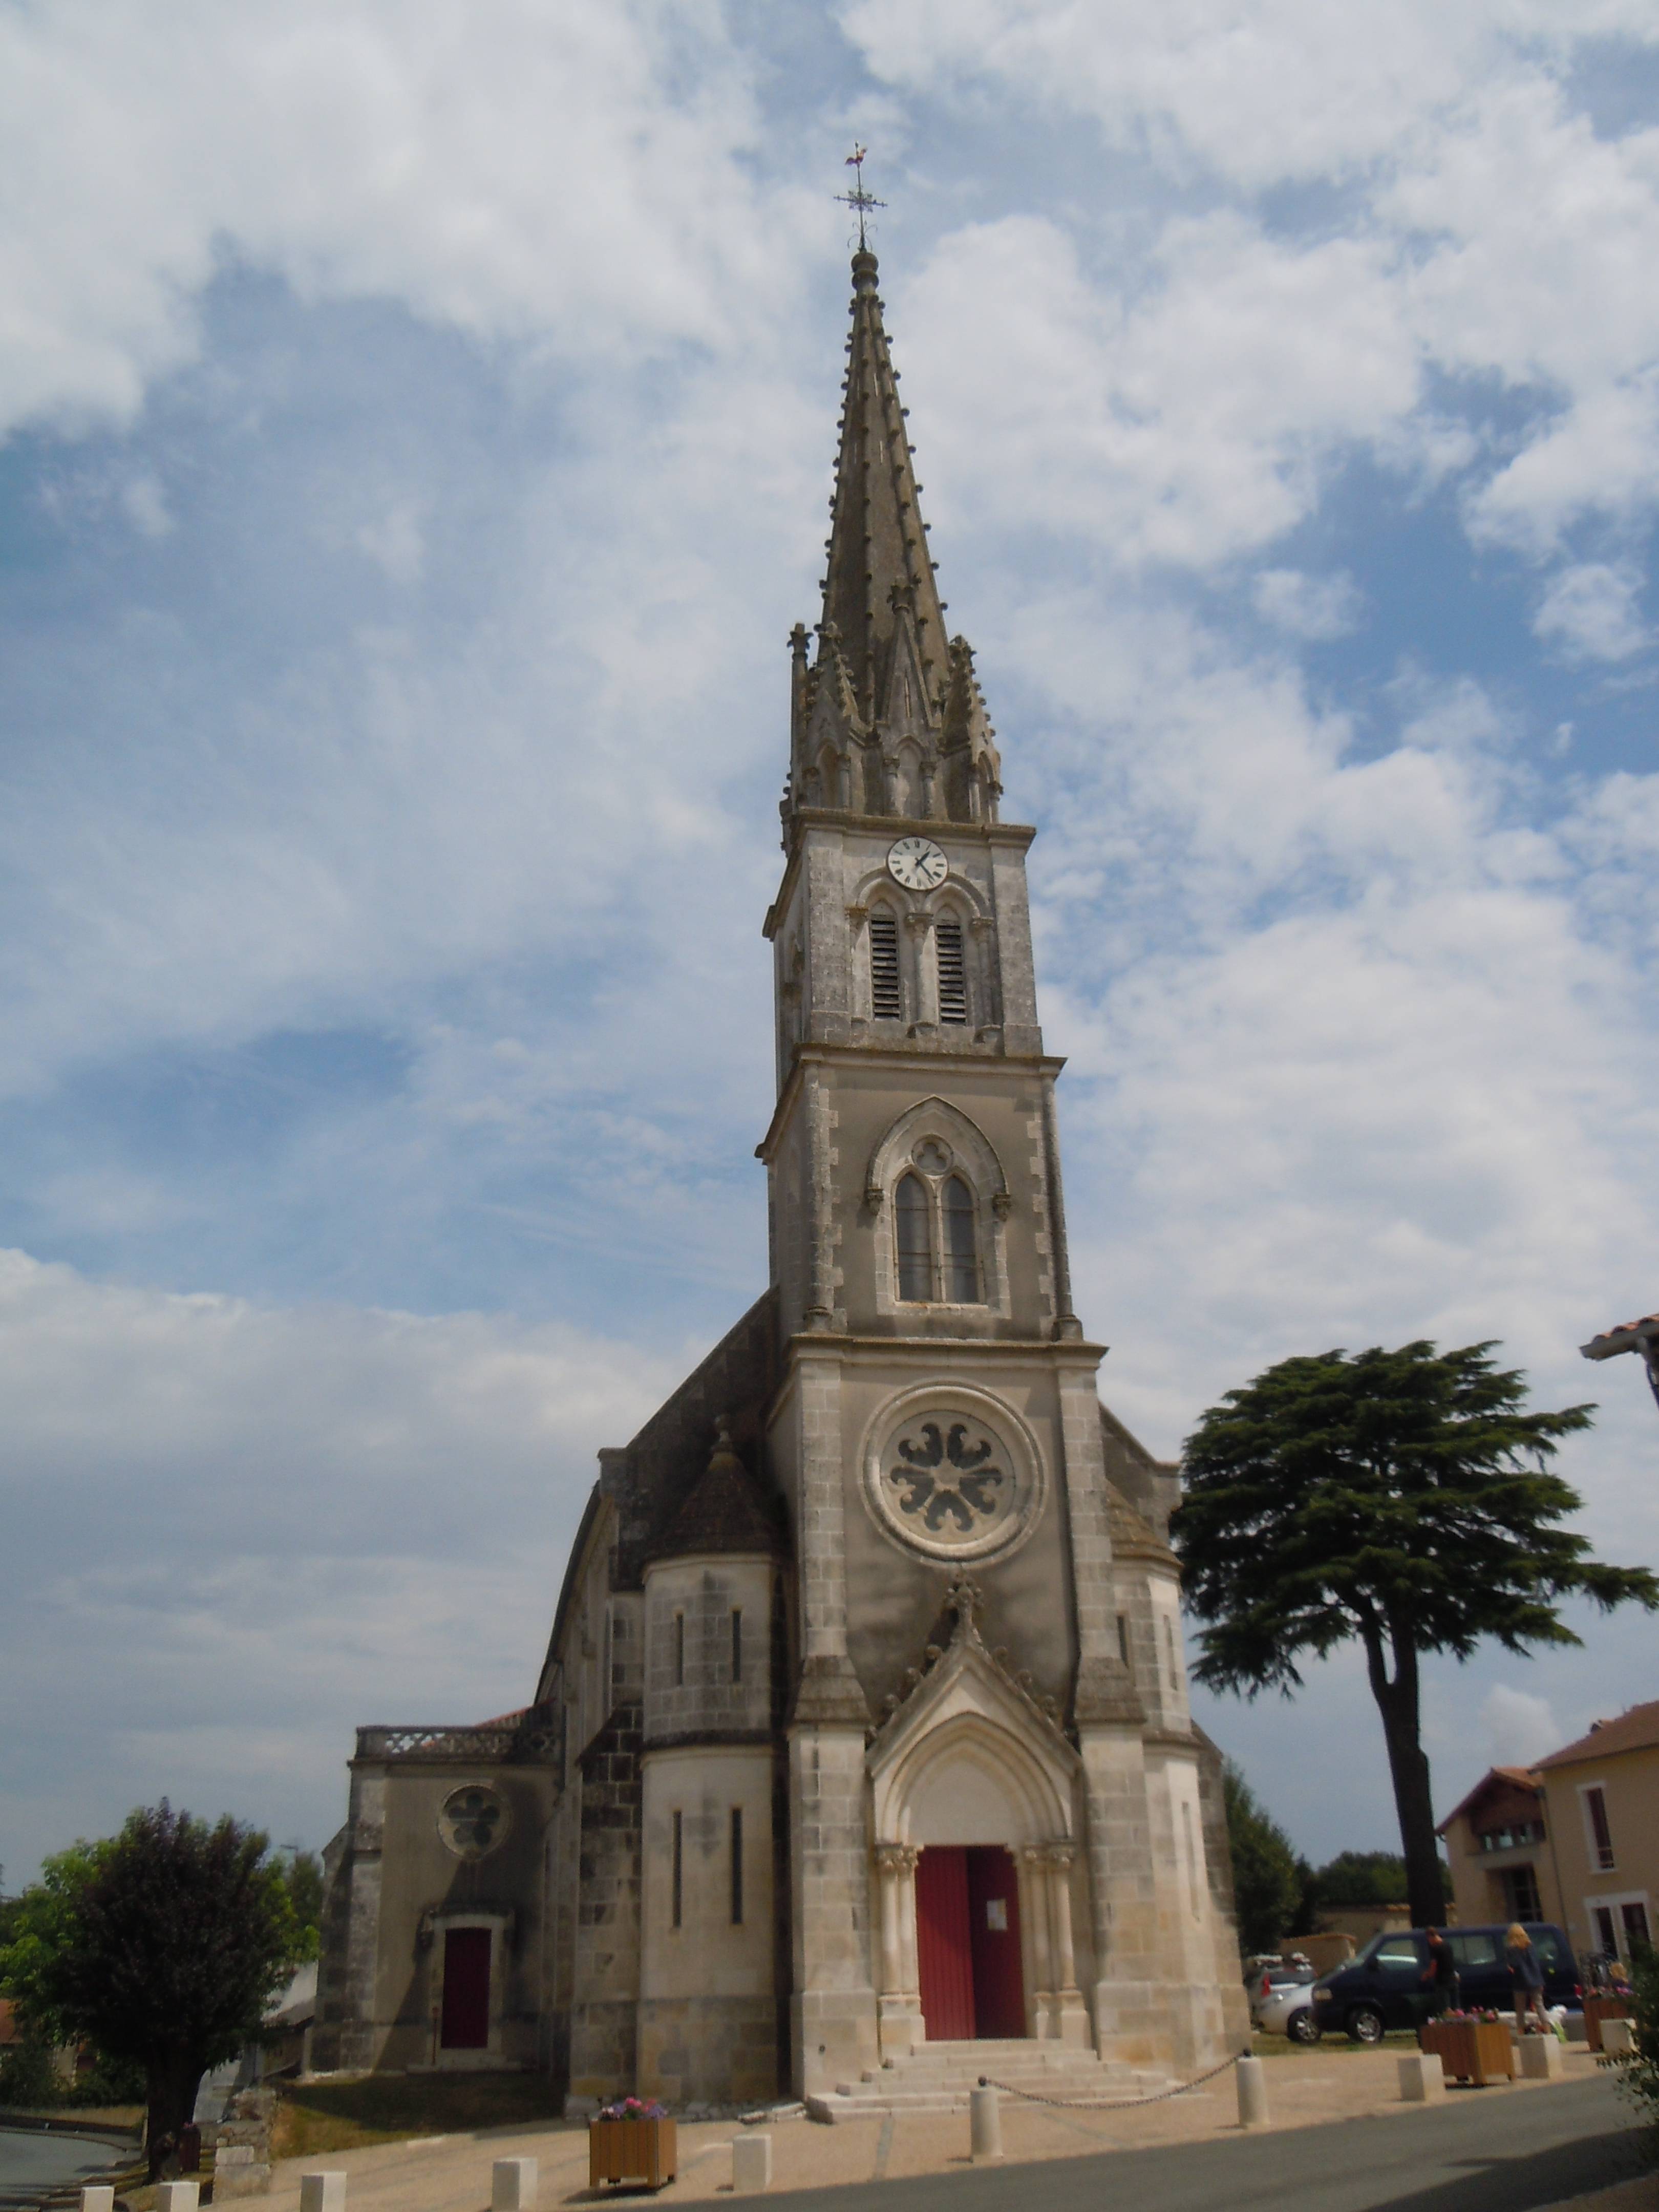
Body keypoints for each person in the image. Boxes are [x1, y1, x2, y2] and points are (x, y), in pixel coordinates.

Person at [1506, 1922, 1550, 2035]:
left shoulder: (1512, 1950)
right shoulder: (1530, 1946)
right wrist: (1540, 1980)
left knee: (1520, 2010)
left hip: (1520, 1982)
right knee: (1540, 2006)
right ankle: (1548, 2030)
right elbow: (1536, 1964)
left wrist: (1509, 1967)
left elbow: (1514, 1964)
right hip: (1535, 1980)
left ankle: (1521, 2033)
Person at [1421, 1928, 1461, 2015]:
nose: (1429, 1942)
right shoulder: (1448, 1946)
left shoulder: (1436, 1949)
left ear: (1431, 1937)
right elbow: (1450, 1963)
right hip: (1453, 1980)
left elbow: (1433, 1967)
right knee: (1456, 2010)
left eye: (1428, 1940)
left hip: (1443, 1982)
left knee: (1446, 2011)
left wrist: (1427, 1975)